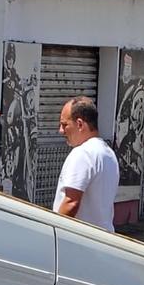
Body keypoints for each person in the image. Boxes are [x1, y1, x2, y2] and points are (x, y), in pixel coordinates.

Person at [53, 96, 120, 231]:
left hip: (80, 241)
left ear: (79, 124)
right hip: (103, 238)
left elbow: (71, 202)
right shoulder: (108, 153)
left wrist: (53, 231)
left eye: (65, 124)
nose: (61, 130)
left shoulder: (83, 154)